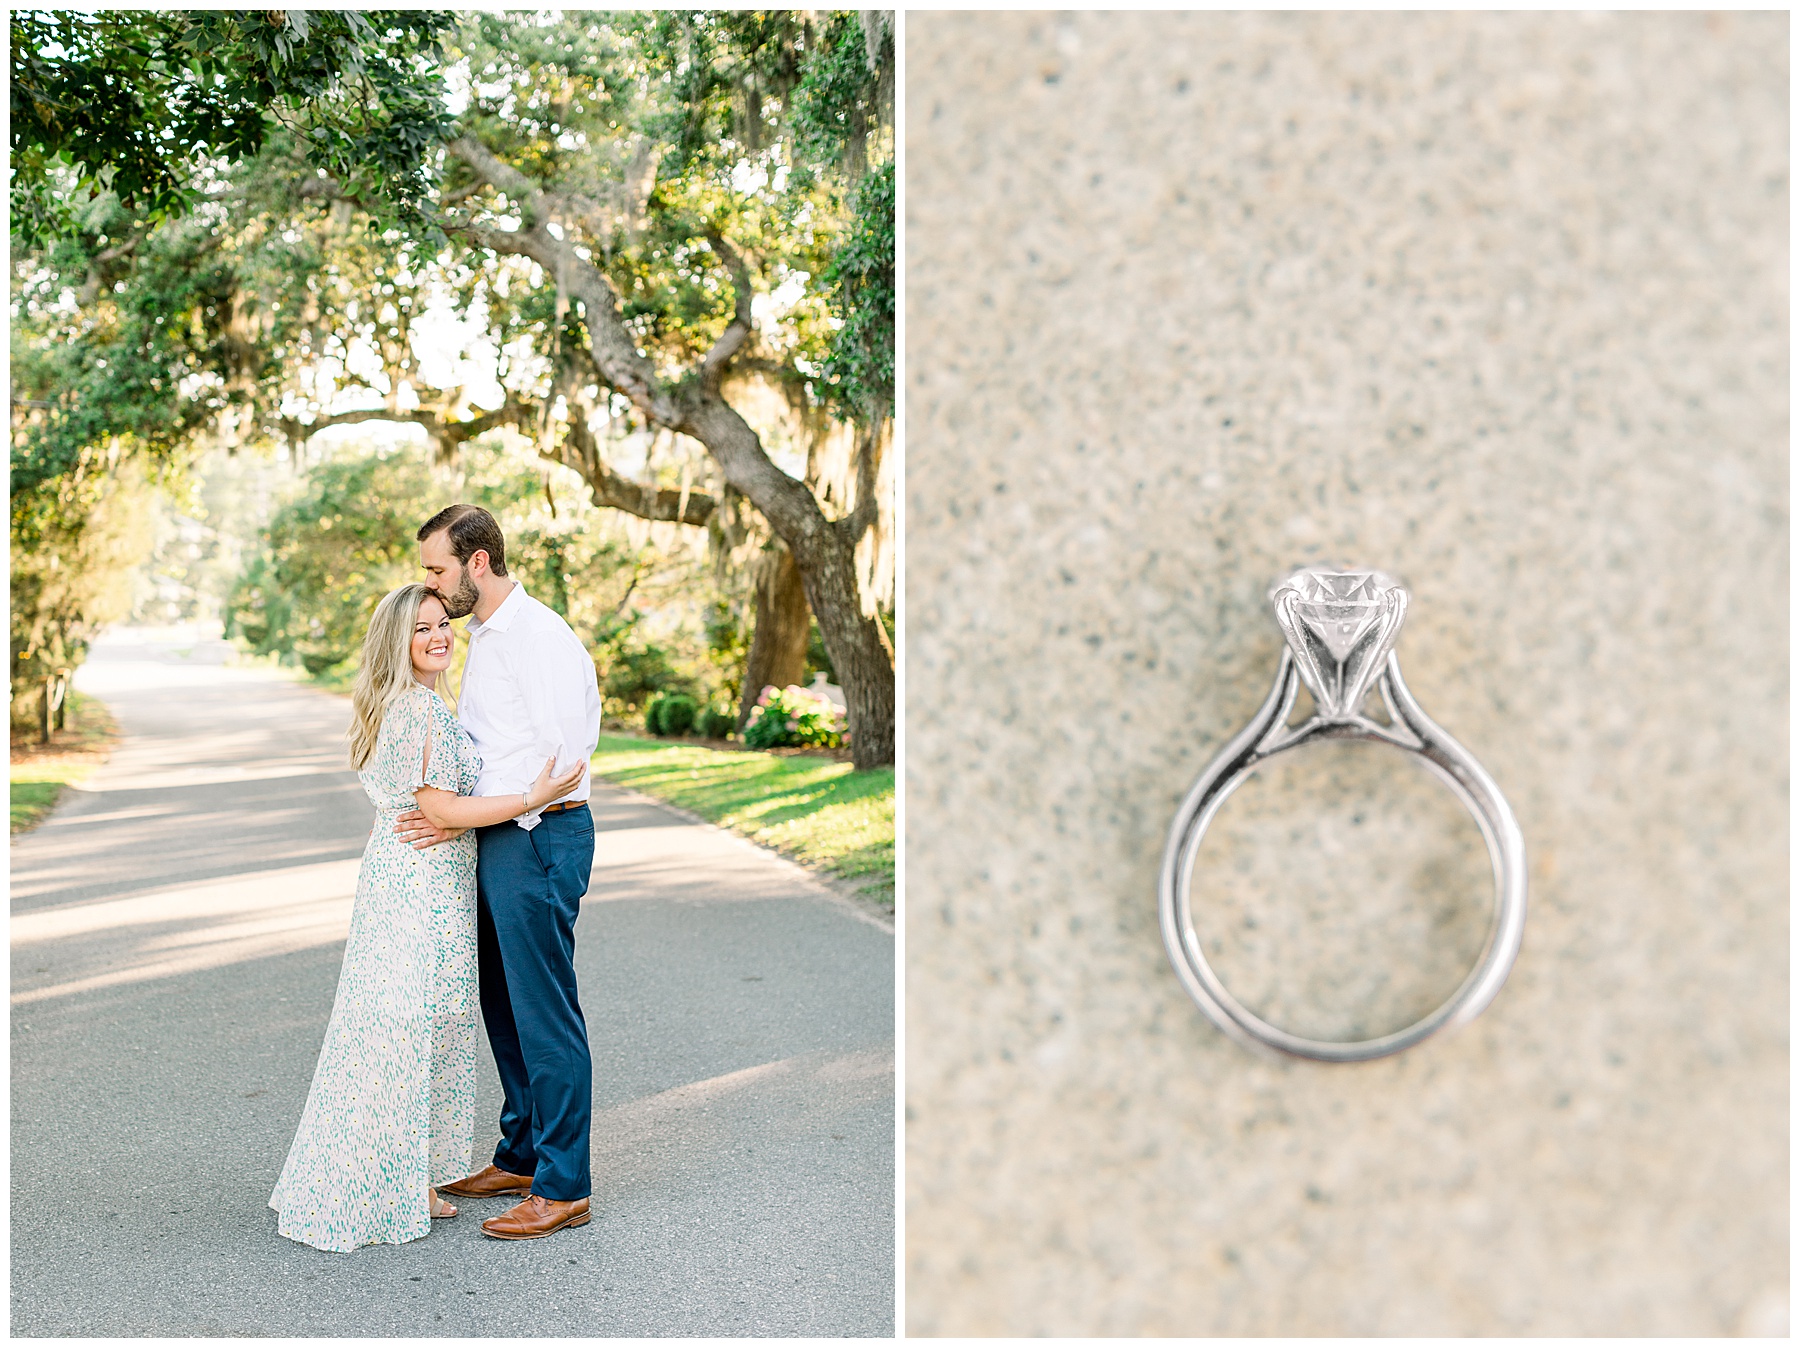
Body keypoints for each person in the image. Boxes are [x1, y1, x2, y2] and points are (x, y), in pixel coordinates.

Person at [269, 583, 586, 1253]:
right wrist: (528, 797)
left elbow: (437, 806)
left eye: (444, 623)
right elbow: (437, 806)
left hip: (416, 875)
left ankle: (405, 1178)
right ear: (397, 642)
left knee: (405, 1028)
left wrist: (452, 821)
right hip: (415, 890)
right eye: (422, 629)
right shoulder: (418, 711)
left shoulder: (417, 704)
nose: (440, 636)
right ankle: (379, 1185)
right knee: (401, 1030)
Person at [397, 504, 602, 1241]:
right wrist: (454, 811)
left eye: (437, 568)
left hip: (539, 832)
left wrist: (467, 811)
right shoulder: (486, 637)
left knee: (544, 1013)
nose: (431, 581)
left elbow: (559, 757)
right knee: (504, 1006)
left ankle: (563, 1184)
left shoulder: (538, 636)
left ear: (476, 562)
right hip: (500, 835)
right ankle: (520, 1153)